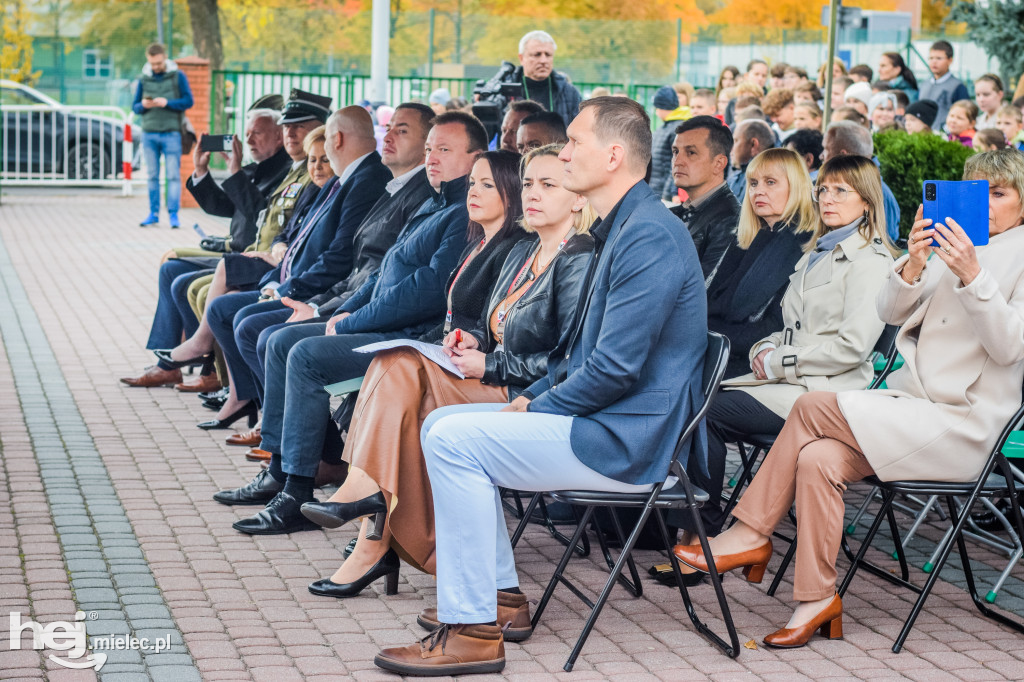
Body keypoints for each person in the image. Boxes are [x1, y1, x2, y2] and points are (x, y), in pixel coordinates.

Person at [373, 95, 708, 677]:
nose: (562, 151)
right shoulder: (621, 225)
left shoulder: (648, 234)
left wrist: (535, 403)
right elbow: (580, 356)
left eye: (574, 142)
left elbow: (614, 370)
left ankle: (474, 631)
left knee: (453, 440)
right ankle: (500, 599)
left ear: (612, 155)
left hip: (628, 442)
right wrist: (538, 396)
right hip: (604, 421)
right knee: (445, 427)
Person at [672, 148, 1024, 649]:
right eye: (979, 192)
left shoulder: (1005, 256)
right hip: (913, 412)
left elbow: (1011, 348)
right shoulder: (957, 245)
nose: (987, 203)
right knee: (817, 458)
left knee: (811, 407)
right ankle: (817, 600)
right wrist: (916, 262)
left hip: (966, 424)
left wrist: (972, 276)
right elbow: (890, 311)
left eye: (1001, 193)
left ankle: (751, 532)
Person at [301, 146, 593, 598]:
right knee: (394, 362)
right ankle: (374, 522)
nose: (533, 194)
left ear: (578, 197)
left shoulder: (579, 258)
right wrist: (474, 340)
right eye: (530, 183)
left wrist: (490, 361)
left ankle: (374, 528)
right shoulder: (525, 251)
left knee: (408, 403)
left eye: (548, 185)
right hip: (491, 377)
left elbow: (568, 362)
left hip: (529, 395)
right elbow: (497, 327)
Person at [216, 111, 484, 533]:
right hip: (379, 321)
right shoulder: (433, 203)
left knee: (303, 353)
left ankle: (297, 491)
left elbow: (427, 290)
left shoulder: (461, 212)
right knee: (281, 340)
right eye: (430, 148)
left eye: (444, 150)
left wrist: (350, 321)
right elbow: (380, 274)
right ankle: (282, 469)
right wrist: (338, 314)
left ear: (476, 158)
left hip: (410, 337)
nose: (432, 157)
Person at [682, 152, 896, 544]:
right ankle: (689, 524)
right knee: (694, 399)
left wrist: (778, 360)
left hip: (826, 393)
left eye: (841, 192)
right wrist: (765, 348)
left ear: (866, 201)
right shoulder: (820, 251)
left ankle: (701, 534)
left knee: (703, 411)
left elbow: (852, 349)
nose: (827, 199)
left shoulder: (870, 262)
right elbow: (788, 325)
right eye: (823, 190)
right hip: (792, 381)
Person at [230, 104, 438, 450]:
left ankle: (303, 458)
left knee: (275, 338)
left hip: (389, 323)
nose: (386, 137)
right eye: (389, 128)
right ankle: (292, 453)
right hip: (350, 299)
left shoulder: (409, 193)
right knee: (261, 328)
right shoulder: (394, 188)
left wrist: (329, 311)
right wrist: (320, 306)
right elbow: (369, 268)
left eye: (401, 130)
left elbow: (395, 280)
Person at [120, 107, 294, 388]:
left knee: (181, 282)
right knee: (171, 269)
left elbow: (260, 214)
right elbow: (221, 205)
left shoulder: (285, 172)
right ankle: (170, 365)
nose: (249, 140)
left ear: (278, 137)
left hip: (249, 256)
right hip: (234, 252)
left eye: (257, 133)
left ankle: (206, 368)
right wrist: (200, 170)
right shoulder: (255, 169)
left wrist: (235, 171)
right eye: (246, 133)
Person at [668, 116, 740, 276]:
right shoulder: (675, 213)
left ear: (719, 163)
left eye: (691, 152)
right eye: (675, 152)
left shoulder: (730, 220)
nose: (677, 161)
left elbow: (703, 290)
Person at [133, 42, 194, 228]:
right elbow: (134, 107)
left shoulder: (178, 76)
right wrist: (143, 105)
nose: (156, 67)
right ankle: (153, 214)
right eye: (152, 64)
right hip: (149, 134)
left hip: (171, 133)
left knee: (173, 176)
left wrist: (167, 102)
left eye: (158, 63)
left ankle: (174, 215)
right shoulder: (144, 79)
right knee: (152, 176)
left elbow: (188, 101)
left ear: (164, 58)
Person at [822, 121, 901, 242]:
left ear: (843, 156)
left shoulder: (881, 193)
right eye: (823, 190)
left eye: (826, 149)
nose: (821, 156)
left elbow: (884, 244)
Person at [500, 30, 583, 127]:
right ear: (521, 58)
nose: (543, 60)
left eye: (548, 55)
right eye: (537, 54)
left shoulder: (569, 93)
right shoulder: (504, 90)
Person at [918, 40, 969, 131]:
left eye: (939, 58)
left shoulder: (957, 86)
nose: (934, 62)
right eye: (931, 58)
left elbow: (965, 114)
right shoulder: (924, 84)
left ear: (950, 60)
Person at [649, 85, 684, 203]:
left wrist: (667, 194)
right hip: (655, 190)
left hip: (665, 194)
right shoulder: (662, 128)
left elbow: (675, 164)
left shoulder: (676, 129)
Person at [728, 119, 774, 202]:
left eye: (736, 141)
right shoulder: (738, 175)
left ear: (753, 144)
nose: (731, 148)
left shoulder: (764, 178)